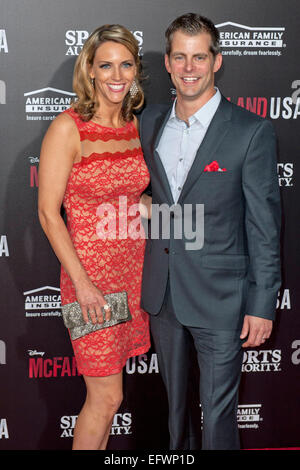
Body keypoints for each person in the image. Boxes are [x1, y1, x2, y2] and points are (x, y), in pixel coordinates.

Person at [139, 13, 281, 450]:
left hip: (223, 298)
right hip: (163, 297)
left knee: (217, 414)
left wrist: (262, 303)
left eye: (199, 57)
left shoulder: (250, 131)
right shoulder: (149, 122)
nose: (189, 68)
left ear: (216, 61)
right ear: (167, 62)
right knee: (174, 413)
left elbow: (264, 227)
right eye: (180, 57)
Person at [38, 24, 150, 450]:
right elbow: (49, 215)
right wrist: (83, 285)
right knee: (106, 397)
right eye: (106, 65)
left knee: (111, 397)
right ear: (90, 69)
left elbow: (132, 198)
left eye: (125, 64)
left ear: (136, 70)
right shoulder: (68, 128)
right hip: (88, 283)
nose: (116, 75)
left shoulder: (133, 124)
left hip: (133, 275)